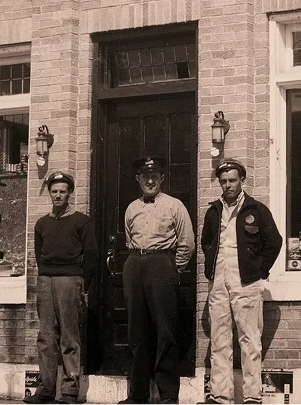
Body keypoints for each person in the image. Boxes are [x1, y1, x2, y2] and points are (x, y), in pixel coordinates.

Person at [199, 159, 282, 405]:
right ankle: (221, 396)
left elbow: (274, 242)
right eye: (223, 182)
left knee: (250, 340)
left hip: (246, 279)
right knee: (219, 339)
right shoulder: (214, 210)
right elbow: (207, 242)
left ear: (242, 181)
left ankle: (252, 397)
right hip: (219, 279)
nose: (228, 186)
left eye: (232, 180)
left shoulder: (257, 209)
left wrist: (259, 270)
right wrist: (213, 268)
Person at [120, 155, 195, 405]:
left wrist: (173, 270)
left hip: (162, 264)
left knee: (165, 330)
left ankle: (168, 395)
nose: (149, 180)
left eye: (154, 176)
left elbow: (187, 244)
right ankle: (138, 393)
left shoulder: (175, 206)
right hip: (135, 263)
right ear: (138, 179)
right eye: (145, 176)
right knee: (136, 331)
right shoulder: (132, 208)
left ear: (162, 178)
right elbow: (129, 239)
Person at [26, 171, 99, 405]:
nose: (58, 195)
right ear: (50, 193)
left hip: (70, 280)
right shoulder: (42, 223)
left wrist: (80, 282)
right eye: (54, 191)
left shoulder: (81, 221)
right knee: (46, 336)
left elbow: (91, 255)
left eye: (62, 191)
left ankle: (69, 390)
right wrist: (45, 275)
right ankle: (46, 388)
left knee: (69, 336)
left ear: (69, 193)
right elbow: (40, 255)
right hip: (46, 280)